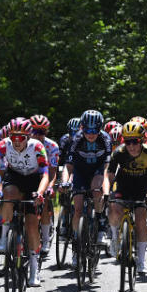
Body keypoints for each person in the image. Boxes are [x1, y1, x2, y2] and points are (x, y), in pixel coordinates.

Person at [0, 117, 49, 286]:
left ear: (28, 137)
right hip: (14, 176)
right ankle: (4, 237)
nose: (16, 141)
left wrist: (40, 193)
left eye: (21, 137)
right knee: (7, 195)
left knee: (31, 224)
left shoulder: (37, 147)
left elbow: (45, 174)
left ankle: (34, 268)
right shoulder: (2, 145)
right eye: (13, 137)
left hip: (33, 180)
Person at [104, 120, 147, 275]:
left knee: (141, 219)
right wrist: (107, 192)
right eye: (128, 142)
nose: (131, 146)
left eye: (135, 141)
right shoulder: (119, 153)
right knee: (114, 208)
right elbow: (108, 176)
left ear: (141, 140)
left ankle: (141, 261)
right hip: (123, 185)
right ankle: (115, 238)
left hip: (142, 188)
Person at [60, 109, 112, 261]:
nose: (90, 133)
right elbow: (68, 166)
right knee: (77, 209)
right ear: (82, 128)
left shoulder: (105, 139)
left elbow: (107, 168)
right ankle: (77, 245)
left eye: (94, 130)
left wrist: (105, 188)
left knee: (97, 191)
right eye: (87, 130)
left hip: (97, 170)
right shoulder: (77, 139)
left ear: (100, 128)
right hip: (80, 172)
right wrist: (64, 181)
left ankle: (101, 226)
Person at [29, 114, 59, 257]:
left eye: (42, 132)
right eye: (35, 131)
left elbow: (52, 172)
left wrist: (50, 187)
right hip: (28, 175)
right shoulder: (25, 143)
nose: (38, 135)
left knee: (45, 201)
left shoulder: (52, 146)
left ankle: (46, 239)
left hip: (44, 177)